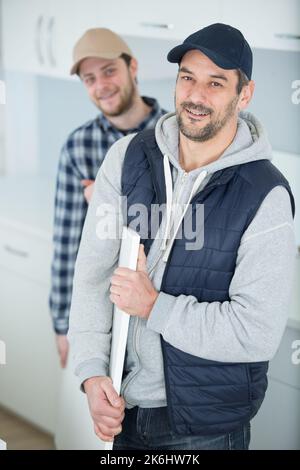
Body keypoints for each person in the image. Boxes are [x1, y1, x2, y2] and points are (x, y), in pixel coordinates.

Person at [68, 23, 296, 450]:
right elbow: (93, 275)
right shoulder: (127, 158)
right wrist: (91, 371)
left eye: (215, 83)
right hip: (126, 409)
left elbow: (256, 331)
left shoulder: (265, 195)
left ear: (243, 95)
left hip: (206, 427)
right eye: (188, 77)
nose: (195, 96)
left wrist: (154, 306)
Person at [49, 28, 167, 367]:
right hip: (99, 312)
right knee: (103, 415)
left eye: (109, 71)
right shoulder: (78, 147)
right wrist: (63, 324)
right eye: (89, 79)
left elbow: (192, 223)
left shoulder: (176, 135)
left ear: (133, 67)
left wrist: (107, 205)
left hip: (161, 306)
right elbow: (67, 241)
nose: (101, 85)